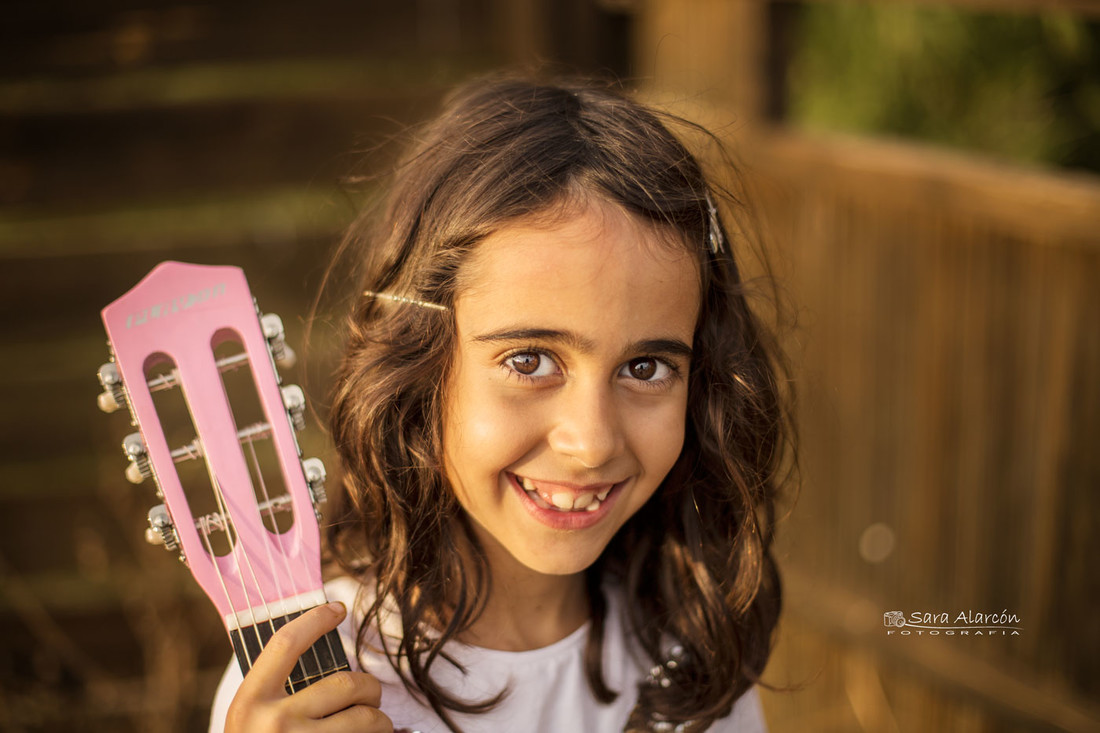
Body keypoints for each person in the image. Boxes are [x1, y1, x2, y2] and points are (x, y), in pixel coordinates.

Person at [209, 74, 793, 733]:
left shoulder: (694, 658)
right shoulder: (313, 686)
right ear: (421, 365)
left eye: (645, 366)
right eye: (530, 360)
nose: (591, 439)